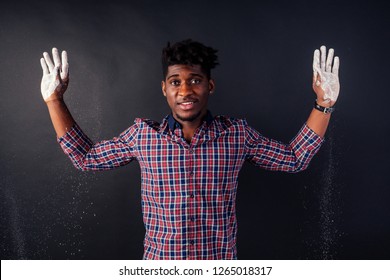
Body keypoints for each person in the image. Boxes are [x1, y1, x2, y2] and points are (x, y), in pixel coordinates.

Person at [40, 39, 340, 259]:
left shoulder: (236, 135)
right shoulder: (143, 136)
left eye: (195, 81)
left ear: (209, 86)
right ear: (164, 88)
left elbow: (294, 158)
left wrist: (324, 104)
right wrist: (54, 101)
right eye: (175, 82)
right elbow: (86, 158)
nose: (185, 90)